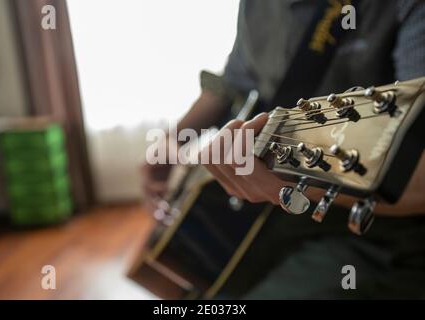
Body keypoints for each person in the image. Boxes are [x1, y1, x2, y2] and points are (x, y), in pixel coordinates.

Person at [142, 0, 425, 298]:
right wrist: (170, 143)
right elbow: (235, 81)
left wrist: (302, 184)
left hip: (374, 230)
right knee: (193, 280)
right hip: (271, 214)